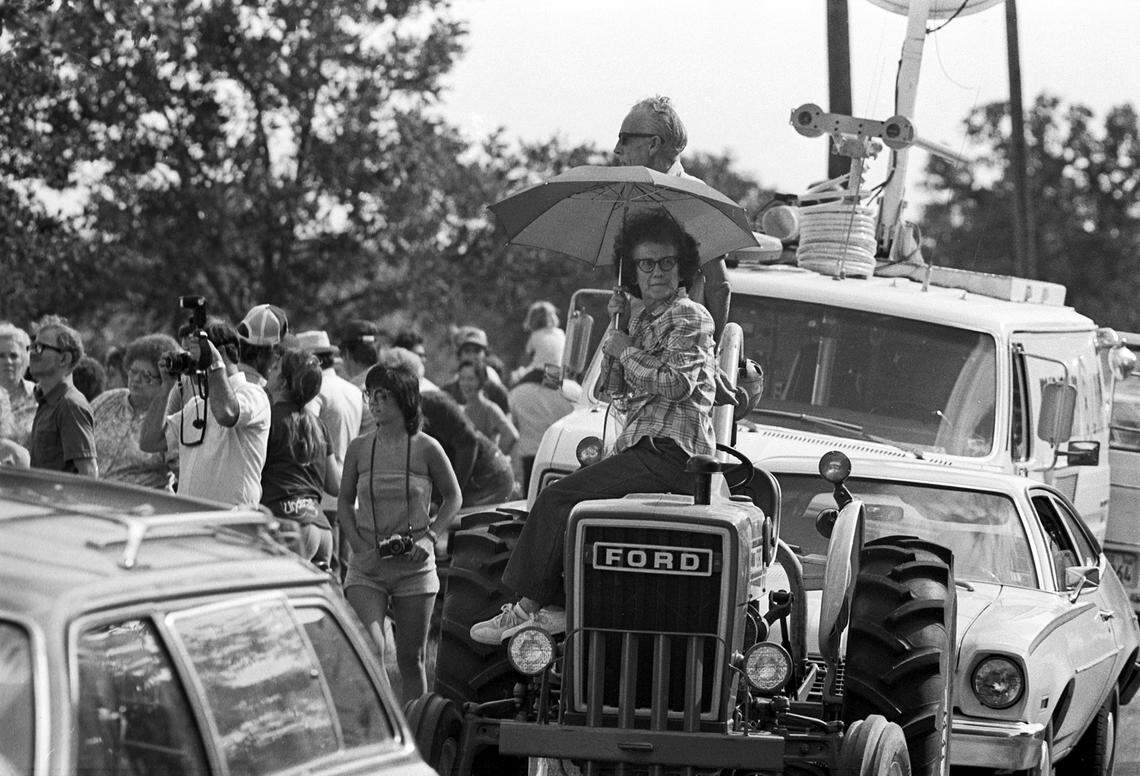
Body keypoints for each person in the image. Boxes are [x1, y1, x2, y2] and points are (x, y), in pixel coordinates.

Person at [471, 211, 716, 644]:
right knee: (575, 511)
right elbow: (610, 390)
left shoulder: (690, 317)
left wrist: (628, 350)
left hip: (673, 452)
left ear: (682, 268)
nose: (656, 272)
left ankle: (528, 608)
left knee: (554, 497)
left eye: (665, 263)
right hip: (642, 449)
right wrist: (614, 329)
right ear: (633, 271)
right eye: (645, 264)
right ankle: (561, 606)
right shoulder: (639, 321)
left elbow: (677, 385)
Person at [338, 363, 461, 705]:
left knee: (412, 659)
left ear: (404, 400)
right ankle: (379, 727)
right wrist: (357, 544)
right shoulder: (359, 449)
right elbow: (345, 503)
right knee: (370, 647)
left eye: (382, 395)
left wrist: (430, 537)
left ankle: (415, 732)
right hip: (367, 566)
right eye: (370, 395)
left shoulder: (426, 447)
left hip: (414, 568)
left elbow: (454, 497)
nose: (374, 402)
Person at [614, 95, 731, 341]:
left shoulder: (694, 198)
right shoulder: (630, 198)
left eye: (624, 139)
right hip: (631, 350)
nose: (617, 149)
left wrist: (712, 353)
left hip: (678, 355)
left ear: (653, 144)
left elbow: (718, 286)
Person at [139, 319, 271, 506]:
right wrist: (166, 386)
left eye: (196, 354)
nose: (193, 363)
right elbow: (149, 441)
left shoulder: (254, 394)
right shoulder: (196, 405)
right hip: (191, 522)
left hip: (231, 524)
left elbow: (226, 413)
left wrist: (214, 363)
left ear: (222, 353)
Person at [262, 349, 342, 566]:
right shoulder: (318, 425)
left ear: (284, 383)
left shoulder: (269, 419)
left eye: (276, 368)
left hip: (287, 524)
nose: (270, 369)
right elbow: (334, 485)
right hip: (322, 528)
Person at [91, 333, 179, 489]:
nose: (136, 379)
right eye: (133, 371)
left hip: (142, 507)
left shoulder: (171, 419)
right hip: (91, 498)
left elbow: (183, 473)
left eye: (147, 376)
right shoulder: (106, 401)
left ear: (164, 381)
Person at [27, 316, 98, 476]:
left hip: (59, 501)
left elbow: (89, 473)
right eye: (32, 346)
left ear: (64, 359)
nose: (31, 353)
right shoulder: (46, 400)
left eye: (39, 347)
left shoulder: (70, 405)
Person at [509, 365, 573, 492]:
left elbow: (512, 424)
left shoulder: (517, 392)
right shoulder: (572, 391)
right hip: (562, 455)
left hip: (530, 456)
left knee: (530, 498)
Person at [441, 326, 510, 414]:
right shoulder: (448, 392)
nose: (472, 356)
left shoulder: (496, 392)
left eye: (477, 351)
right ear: (459, 355)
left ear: (485, 354)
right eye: (467, 351)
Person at [456, 360, 518, 456]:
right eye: (462, 379)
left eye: (471, 379)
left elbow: (511, 435)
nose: (465, 384)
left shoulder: (489, 409)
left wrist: (495, 457)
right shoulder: (462, 409)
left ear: (481, 381)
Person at [0, 322, 37, 447]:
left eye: (13, 355)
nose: (8, 361)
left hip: (30, 466)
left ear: (24, 359)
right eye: (1, 356)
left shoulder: (39, 395)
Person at [236, 303, 289, 388]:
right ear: (261, 355)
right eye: (279, 352)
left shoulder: (220, 378)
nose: (278, 358)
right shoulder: (265, 394)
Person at [515, 300, 565, 381]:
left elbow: (526, 357)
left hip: (539, 373)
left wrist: (521, 370)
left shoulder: (535, 335)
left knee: (517, 381)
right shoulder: (561, 333)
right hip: (557, 372)